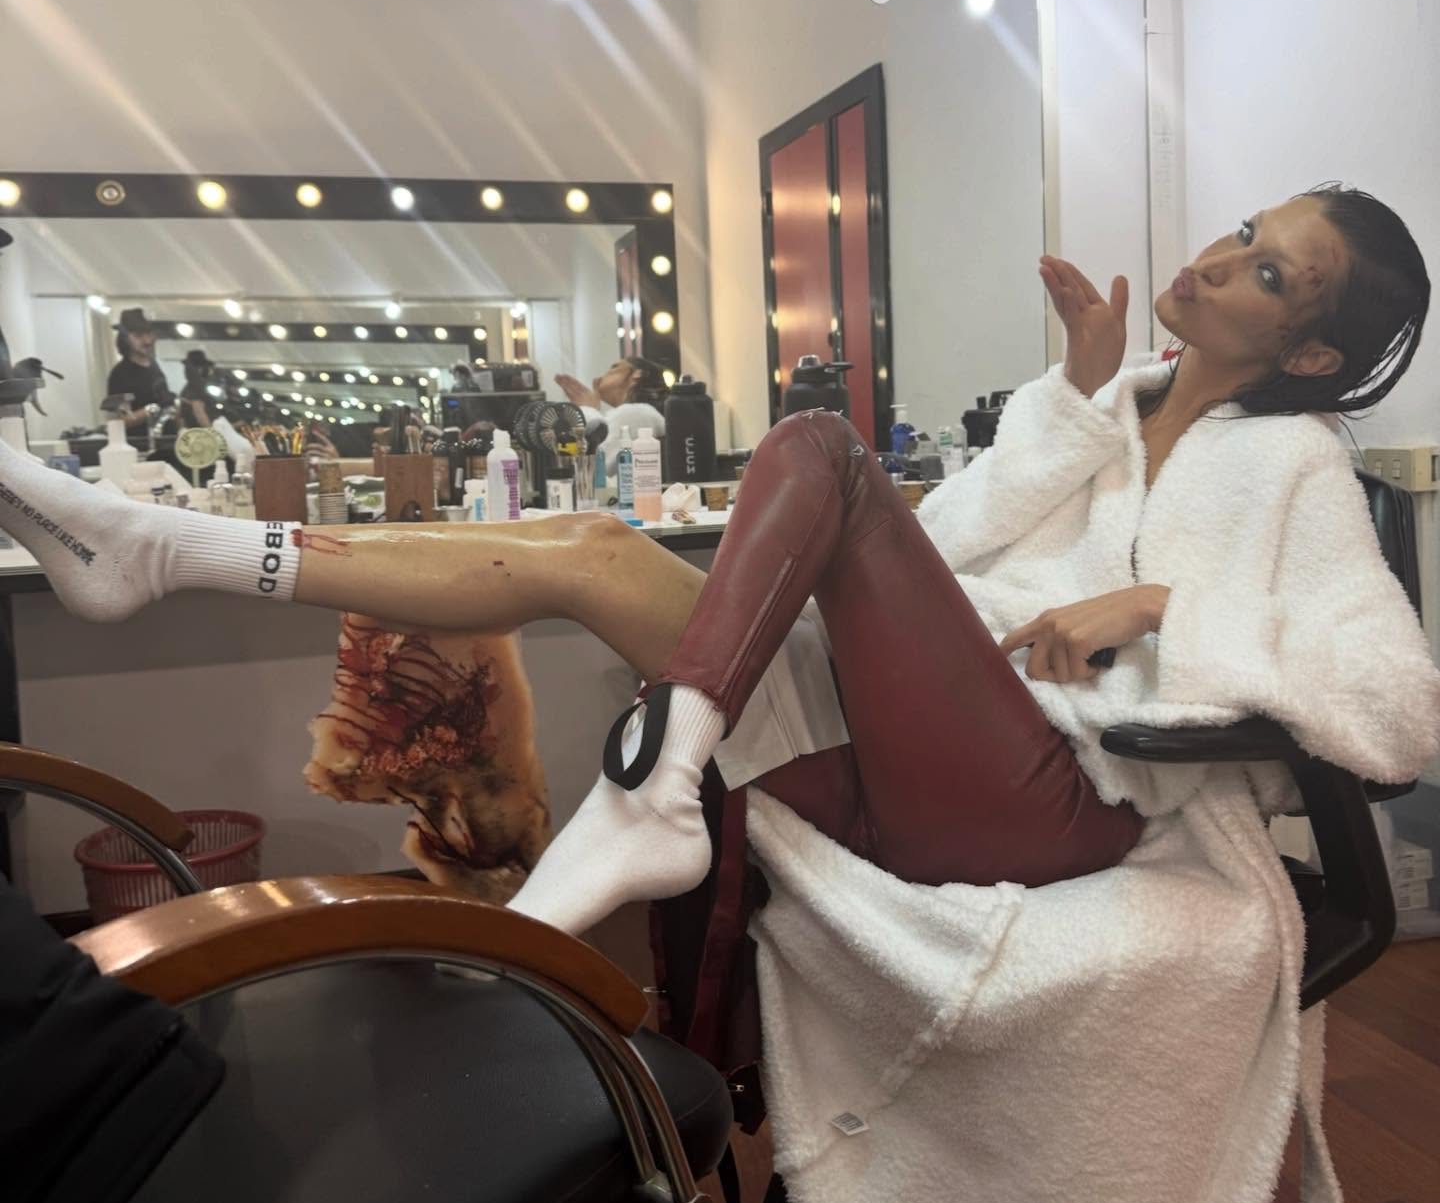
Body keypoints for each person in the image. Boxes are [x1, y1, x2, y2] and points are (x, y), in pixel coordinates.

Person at [3, 185, 1437, 947]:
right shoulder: (1098, 411)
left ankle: (655, 795)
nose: (1221, 258)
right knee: (591, 546)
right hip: (937, 735)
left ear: (1311, 352)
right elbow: (938, 558)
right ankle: (164, 545)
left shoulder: (1292, 466)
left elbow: (1399, 708)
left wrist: (1164, 609)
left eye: (1268, 272)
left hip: (1063, 799)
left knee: (817, 447)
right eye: (1246, 231)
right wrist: (1069, 400)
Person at [555, 355, 668, 443]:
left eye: (614, 367)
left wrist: (589, 409)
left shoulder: (637, 413)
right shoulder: (636, 413)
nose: (600, 377)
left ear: (637, 374)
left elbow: (598, 457)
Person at [104, 309, 174, 430]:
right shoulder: (119, 374)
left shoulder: (154, 367)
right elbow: (118, 421)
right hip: (139, 441)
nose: (147, 341)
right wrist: (150, 409)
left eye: (149, 334)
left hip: (166, 438)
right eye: (138, 336)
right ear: (125, 339)